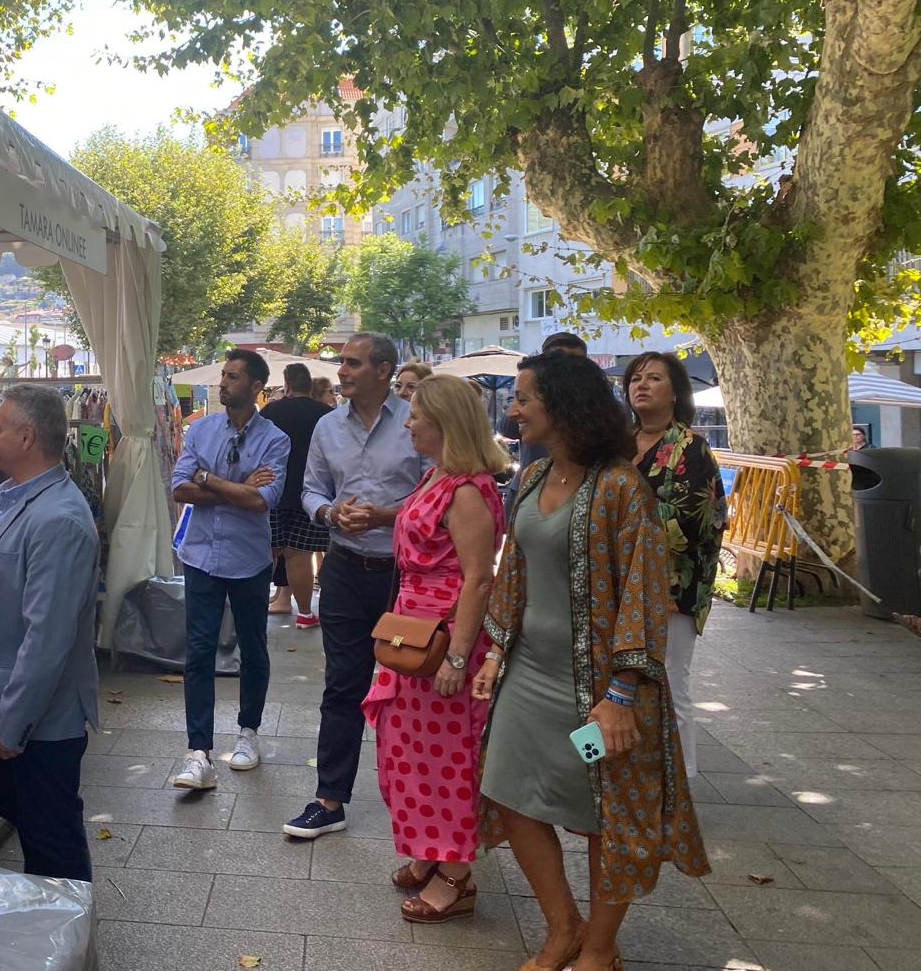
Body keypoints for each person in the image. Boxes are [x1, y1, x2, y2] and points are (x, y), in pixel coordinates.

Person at [473, 353, 708, 971]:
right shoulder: (532, 476)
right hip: (529, 677)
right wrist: (495, 649)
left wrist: (622, 693)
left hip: (600, 695)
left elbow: (645, 592)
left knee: (607, 813)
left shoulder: (622, 487)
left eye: (524, 398)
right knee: (510, 793)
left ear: (563, 405)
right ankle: (564, 929)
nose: (513, 410)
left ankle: (600, 949)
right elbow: (514, 570)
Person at [362, 374, 508, 923]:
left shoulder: (467, 489)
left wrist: (457, 656)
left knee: (446, 760)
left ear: (445, 421)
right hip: (412, 631)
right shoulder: (438, 476)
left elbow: (479, 579)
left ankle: (456, 874)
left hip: (444, 638)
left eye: (417, 413)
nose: (408, 422)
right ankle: (429, 849)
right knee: (409, 751)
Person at [0, 384, 101, 881]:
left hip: (39, 723)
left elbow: (46, 640)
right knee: (34, 828)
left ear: (27, 437)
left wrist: (13, 724)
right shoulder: (20, 498)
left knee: (53, 850)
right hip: (11, 709)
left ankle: (67, 928)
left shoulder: (57, 519)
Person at [287, 333, 430, 839]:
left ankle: (419, 803)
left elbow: (436, 490)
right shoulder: (327, 426)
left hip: (404, 576)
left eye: (352, 363)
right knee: (342, 685)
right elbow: (310, 489)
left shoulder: (416, 420)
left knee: (409, 688)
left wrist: (387, 515)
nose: (342, 371)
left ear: (383, 369)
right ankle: (329, 799)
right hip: (344, 569)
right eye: (341, 363)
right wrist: (330, 513)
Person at [170, 349, 289, 789]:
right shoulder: (201, 430)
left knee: (252, 646)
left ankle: (248, 732)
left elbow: (262, 500)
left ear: (256, 387)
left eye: (233, 377)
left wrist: (209, 479)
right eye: (223, 375)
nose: (223, 383)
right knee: (199, 650)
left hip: (248, 558)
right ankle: (198, 751)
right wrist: (235, 486)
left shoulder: (275, 440)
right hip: (201, 555)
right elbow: (180, 487)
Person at [624, 351, 726, 778]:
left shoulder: (691, 448)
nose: (642, 385)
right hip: (616, 581)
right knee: (615, 681)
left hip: (672, 586)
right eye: (636, 378)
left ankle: (681, 781)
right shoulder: (617, 442)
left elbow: (694, 523)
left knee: (668, 681)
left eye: (654, 378)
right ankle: (615, 773)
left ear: (675, 392)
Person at [261, 362, 332, 625]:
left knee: (267, 551)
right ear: (309, 385)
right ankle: (304, 613)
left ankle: (254, 604)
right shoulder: (327, 415)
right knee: (299, 554)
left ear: (287, 384)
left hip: (273, 490)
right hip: (312, 493)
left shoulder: (271, 411)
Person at [501, 332, 589, 514]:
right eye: (556, 363)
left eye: (574, 364)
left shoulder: (600, 408)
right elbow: (506, 427)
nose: (565, 371)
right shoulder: (528, 392)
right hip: (527, 488)